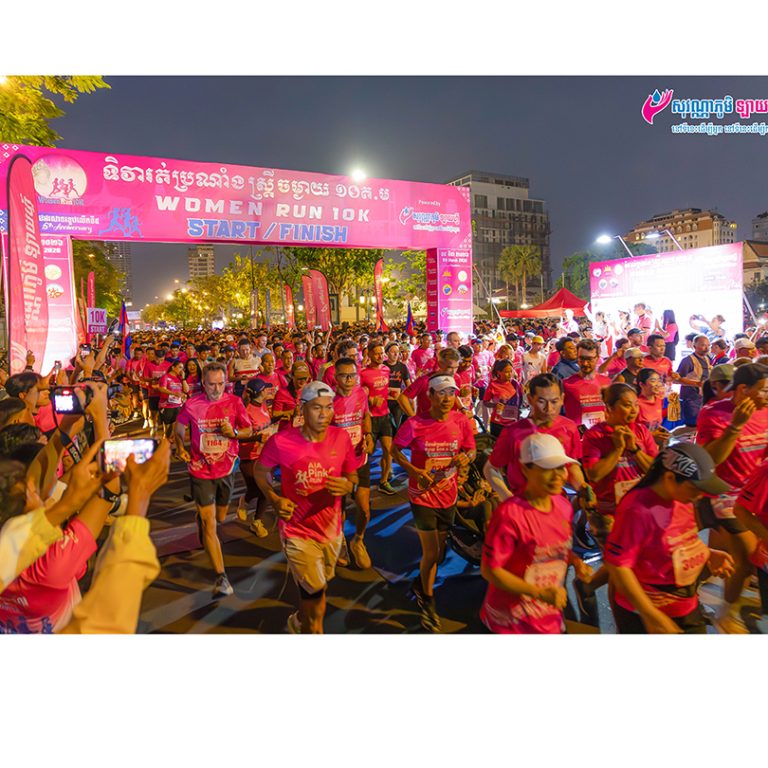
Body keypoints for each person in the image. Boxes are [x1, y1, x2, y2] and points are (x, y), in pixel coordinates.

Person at [255, 381, 357, 634]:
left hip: (331, 530)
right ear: (302, 409)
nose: (324, 414)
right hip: (296, 531)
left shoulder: (341, 437)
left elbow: (353, 477)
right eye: (316, 408)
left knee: (320, 585)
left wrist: (348, 486)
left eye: (328, 407)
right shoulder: (281, 442)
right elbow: (260, 470)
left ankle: (299, 620)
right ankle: (312, 629)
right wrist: (274, 498)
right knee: (318, 596)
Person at [604, 443, 735, 634]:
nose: (699, 496)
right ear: (670, 478)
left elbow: (680, 538)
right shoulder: (638, 510)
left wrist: (707, 553)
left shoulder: (682, 499)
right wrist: (651, 615)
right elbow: (618, 566)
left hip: (686, 606)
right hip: (652, 615)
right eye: (694, 488)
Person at [480, 433, 593, 634]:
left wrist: (576, 562)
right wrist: (538, 593)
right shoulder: (509, 515)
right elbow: (490, 571)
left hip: (548, 616)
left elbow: (557, 547)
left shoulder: (563, 506)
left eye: (561, 468)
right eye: (547, 469)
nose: (558, 475)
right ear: (526, 469)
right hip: (510, 622)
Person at [392, 374, 476, 631]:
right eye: (441, 393)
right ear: (429, 396)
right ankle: (427, 603)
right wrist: (412, 470)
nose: (447, 398)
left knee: (438, 553)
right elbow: (395, 449)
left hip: (448, 494)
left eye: (451, 393)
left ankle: (420, 582)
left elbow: (470, 449)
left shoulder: (461, 421)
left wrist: (466, 458)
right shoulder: (415, 424)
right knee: (430, 553)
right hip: (422, 495)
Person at [696, 362, 768, 632]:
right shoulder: (714, 413)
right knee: (749, 556)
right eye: (763, 390)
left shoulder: (765, 411)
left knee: (726, 557)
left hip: (753, 494)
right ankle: (727, 614)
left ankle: (689, 583)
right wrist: (736, 426)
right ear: (743, 390)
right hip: (722, 493)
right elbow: (710, 460)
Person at [174, 362, 254, 597]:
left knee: (219, 517)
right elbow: (178, 430)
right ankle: (221, 577)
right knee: (210, 525)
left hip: (226, 469)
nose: (216, 389)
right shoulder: (192, 405)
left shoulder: (234, 402)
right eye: (211, 384)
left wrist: (235, 434)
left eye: (221, 384)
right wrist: (180, 446)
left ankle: (203, 515)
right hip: (200, 469)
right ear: (203, 384)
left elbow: (249, 430)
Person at [484, 373, 587, 500]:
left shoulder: (570, 428)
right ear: (530, 399)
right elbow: (491, 468)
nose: (548, 409)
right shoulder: (513, 433)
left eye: (554, 401)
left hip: (557, 505)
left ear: (562, 399)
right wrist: (506, 497)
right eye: (541, 401)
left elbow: (572, 466)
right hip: (522, 506)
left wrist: (582, 489)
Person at [332, 358, 374, 569]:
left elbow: (365, 416)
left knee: (364, 509)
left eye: (353, 375)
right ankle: (340, 543)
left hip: (360, 459)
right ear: (335, 377)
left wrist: (368, 435)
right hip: (337, 465)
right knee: (338, 508)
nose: (349, 380)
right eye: (344, 375)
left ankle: (358, 540)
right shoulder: (328, 399)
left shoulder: (360, 393)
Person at [235, 379, 276, 538]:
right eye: (265, 389)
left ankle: (257, 522)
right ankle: (244, 501)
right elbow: (237, 436)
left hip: (264, 454)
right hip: (248, 456)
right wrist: (257, 438)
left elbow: (265, 425)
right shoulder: (246, 411)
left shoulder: (263, 406)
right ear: (259, 393)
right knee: (255, 488)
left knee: (267, 489)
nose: (268, 391)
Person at [360, 341, 396, 495]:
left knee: (389, 450)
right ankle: (360, 485)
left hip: (385, 416)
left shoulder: (387, 369)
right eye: (377, 353)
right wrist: (369, 400)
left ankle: (384, 481)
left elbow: (385, 391)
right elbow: (358, 397)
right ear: (368, 354)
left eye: (382, 353)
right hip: (370, 418)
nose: (381, 356)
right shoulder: (362, 374)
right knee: (367, 452)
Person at [561, 339, 612, 430]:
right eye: (582, 358)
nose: (585, 363)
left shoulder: (607, 383)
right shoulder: (566, 384)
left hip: (602, 437)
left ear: (597, 358)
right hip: (578, 440)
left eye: (589, 359)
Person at [674, 334, 711, 427]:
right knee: (691, 426)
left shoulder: (707, 359)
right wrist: (697, 383)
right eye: (703, 345)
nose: (706, 348)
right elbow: (676, 379)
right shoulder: (688, 361)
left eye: (708, 345)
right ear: (694, 346)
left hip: (702, 398)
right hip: (690, 399)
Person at [482, 359, 523, 439]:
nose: (509, 374)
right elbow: (485, 402)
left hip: (513, 422)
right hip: (498, 423)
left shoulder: (515, 384)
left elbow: (520, 400)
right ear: (499, 372)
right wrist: (494, 405)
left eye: (511, 371)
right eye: (506, 372)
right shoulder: (493, 385)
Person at [155, 358, 186, 440]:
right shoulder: (165, 377)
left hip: (178, 405)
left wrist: (183, 379)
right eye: (179, 367)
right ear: (173, 367)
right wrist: (174, 393)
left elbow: (186, 390)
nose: (181, 370)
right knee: (168, 429)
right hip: (167, 406)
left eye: (182, 368)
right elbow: (162, 389)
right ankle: (165, 444)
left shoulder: (179, 378)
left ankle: (175, 445)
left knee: (177, 427)